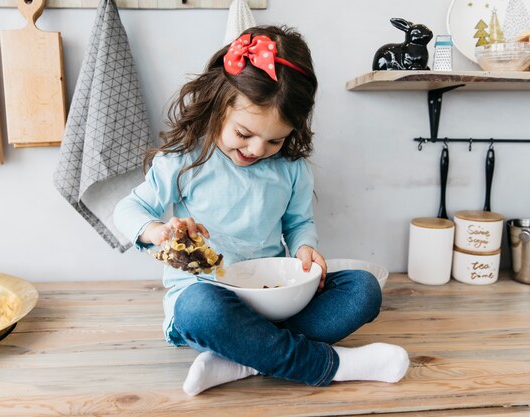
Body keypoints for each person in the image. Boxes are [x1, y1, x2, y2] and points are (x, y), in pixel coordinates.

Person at [113, 25, 409, 396]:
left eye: (275, 140)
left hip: (276, 298)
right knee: (200, 310)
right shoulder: (184, 160)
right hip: (208, 297)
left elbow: (298, 223)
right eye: (244, 133)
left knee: (363, 289)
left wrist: (304, 248)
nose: (256, 149)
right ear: (221, 103)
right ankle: (332, 366)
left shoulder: (291, 169)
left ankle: (239, 358)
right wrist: (158, 231)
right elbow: (128, 208)